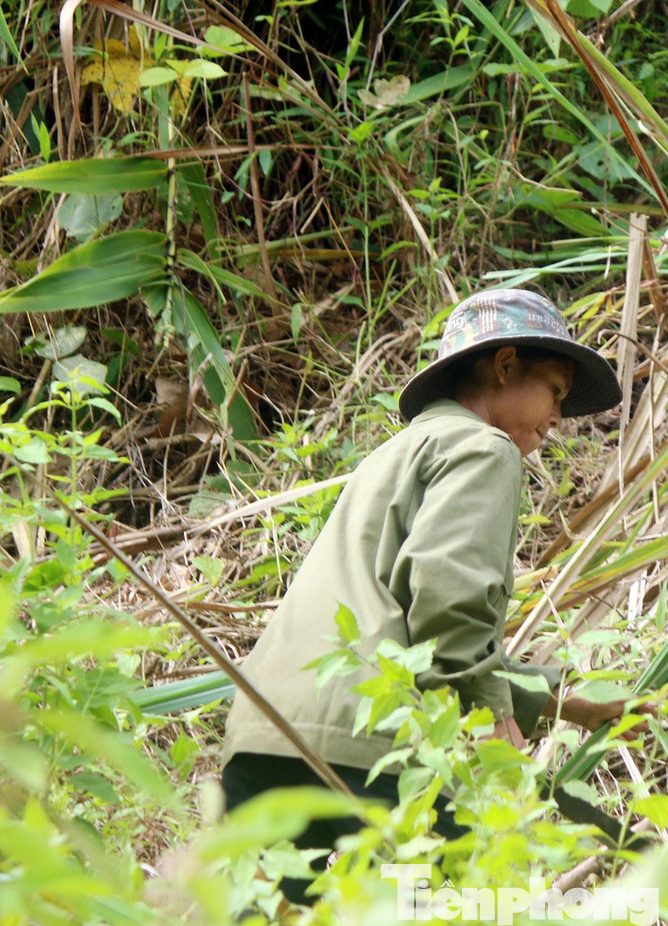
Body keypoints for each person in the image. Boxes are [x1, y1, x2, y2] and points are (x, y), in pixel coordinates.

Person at [219, 288, 637, 905]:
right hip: (373, 745)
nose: (558, 418)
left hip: (262, 735)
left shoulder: (392, 456)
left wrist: (567, 704)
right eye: (554, 390)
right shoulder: (483, 449)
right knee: (462, 903)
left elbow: (401, 631)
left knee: (271, 914)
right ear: (504, 365)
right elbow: (446, 595)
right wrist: (495, 720)